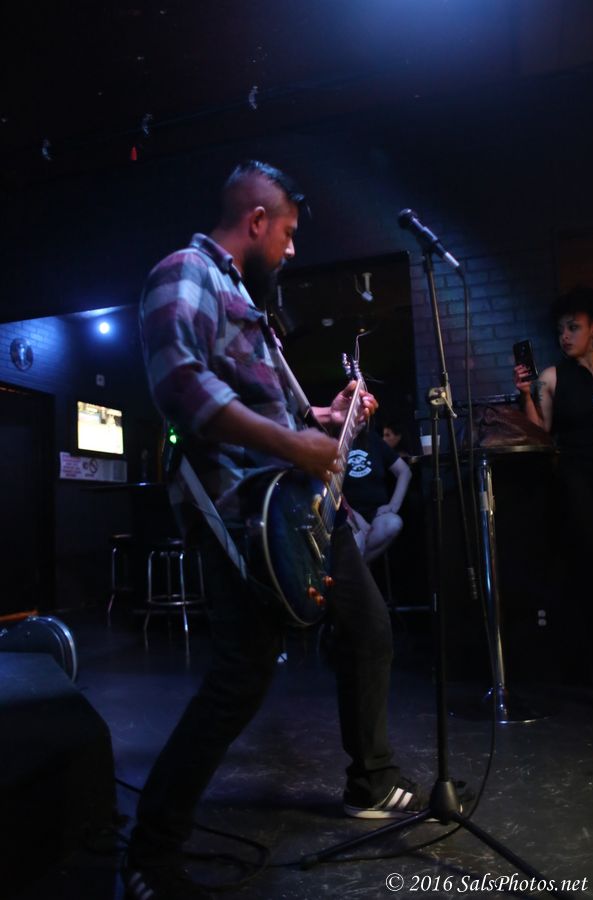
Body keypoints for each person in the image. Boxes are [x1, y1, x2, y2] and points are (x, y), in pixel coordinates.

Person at [126, 161, 426, 900]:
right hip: (243, 515)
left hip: (293, 509)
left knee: (367, 629)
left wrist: (324, 417)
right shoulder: (185, 272)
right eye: (287, 232)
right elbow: (179, 385)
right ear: (257, 220)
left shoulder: (245, 302)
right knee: (242, 675)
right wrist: (296, 443)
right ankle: (148, 855)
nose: (292, 249)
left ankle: (370, 781)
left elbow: (275, 411)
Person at [514, 286, 593, 683]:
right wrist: (526, 395)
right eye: (560, 330)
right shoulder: (552, 376)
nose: (565, 336)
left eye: (573, 327)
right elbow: (540, 433)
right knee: (589, 561)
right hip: (576, 474)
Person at [343, 426, 411, 564]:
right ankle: (357, 571)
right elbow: (330, 488)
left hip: (375, 514)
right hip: (347, 515)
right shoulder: (336, 442)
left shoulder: (372, 439)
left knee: (394, 523)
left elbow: (404, 471)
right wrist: (354, 517)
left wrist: (393, 506)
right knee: (356, 541)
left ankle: (356, 569)